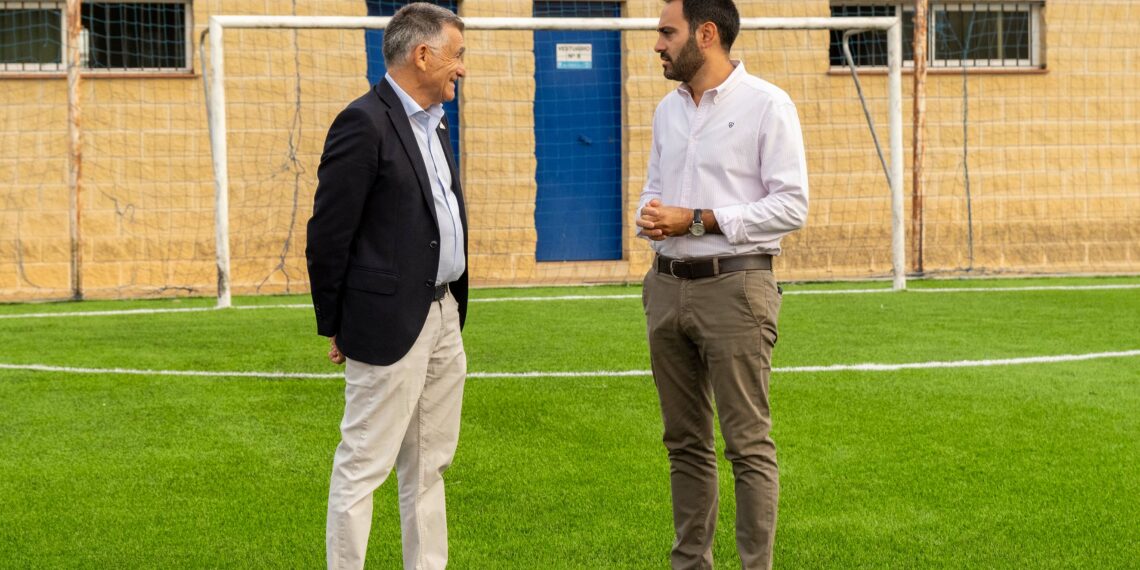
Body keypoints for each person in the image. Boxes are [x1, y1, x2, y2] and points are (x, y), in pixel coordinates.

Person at [635, 0, 809, 568]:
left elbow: (791, 205)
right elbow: (655, 188)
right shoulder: (668, 110)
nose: (657, 44)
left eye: (667, 32)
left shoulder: (767, 104)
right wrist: (654, 215)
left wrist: (702, 218)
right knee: (683, 445)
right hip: (664, 287)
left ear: (705, 34)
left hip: (735, 289)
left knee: (748, 446)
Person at [304, 3, 468, 569]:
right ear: (422, 55)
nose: (461, 69)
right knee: (363, 464)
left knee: (430, 465)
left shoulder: (435, 123)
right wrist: (339, 325)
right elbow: (328, 236)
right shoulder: (362, 122)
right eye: (456, 55)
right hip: (386, 322)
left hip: (444, 313)